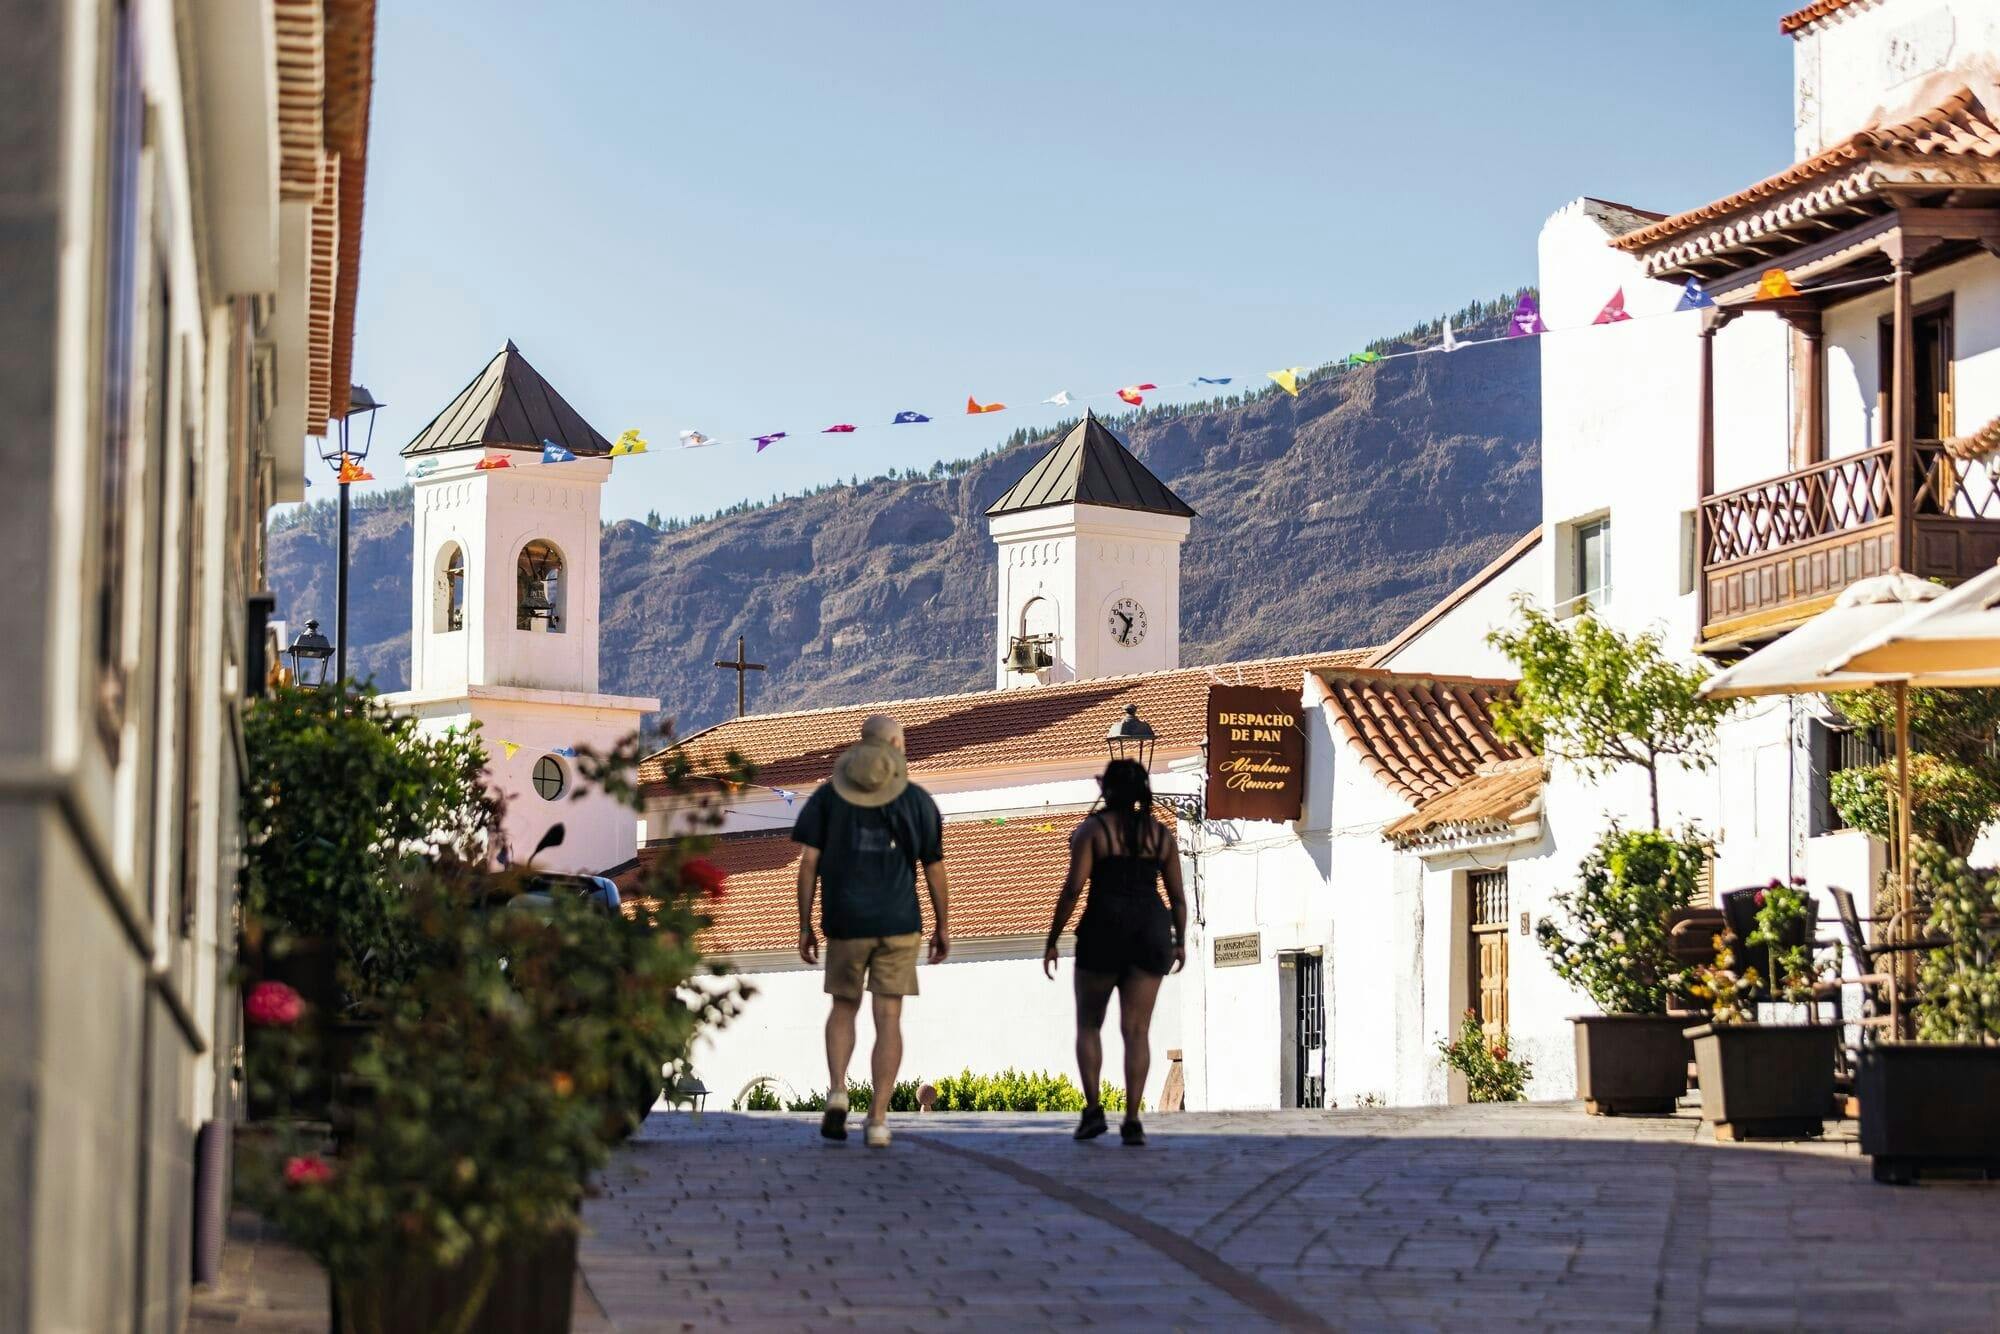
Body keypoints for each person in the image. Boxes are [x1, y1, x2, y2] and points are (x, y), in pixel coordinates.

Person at [795, 714, 949, 1148]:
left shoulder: (829, 798)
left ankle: (838, 1090)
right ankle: (878, 1118)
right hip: (898, 923)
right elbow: (934, 870)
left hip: (845, 922)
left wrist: (805, 924)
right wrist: (942, 925)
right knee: (889, 1017)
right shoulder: (917, 801)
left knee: (843, 1008)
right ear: (898, 747)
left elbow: (808, 865)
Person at [1042, 759, 1187, 1146]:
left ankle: (1093, 1112)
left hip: (1103, 929)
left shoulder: (1094, 830)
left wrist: (1053, 938)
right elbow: (1177, 897)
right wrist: (1180, 940)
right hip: (1150, 930)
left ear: (1108, 790)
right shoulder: (1161, 836)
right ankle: (1133, 1119)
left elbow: (1073, 889)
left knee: (1089, 1024)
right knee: (1137, 1031)